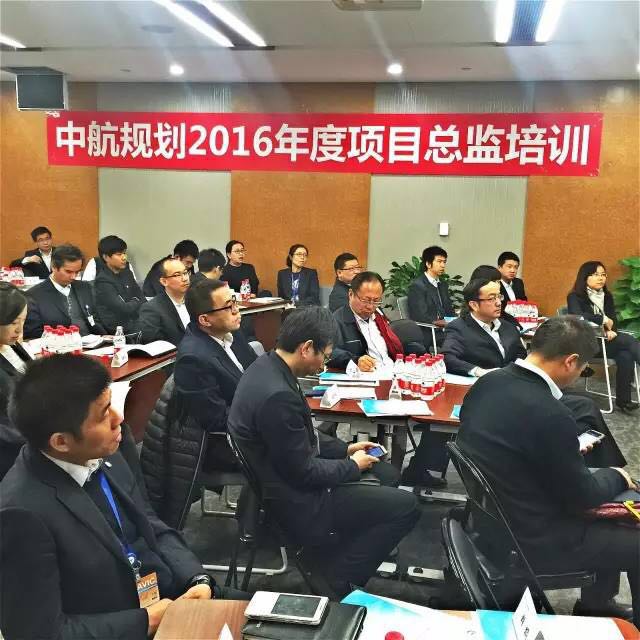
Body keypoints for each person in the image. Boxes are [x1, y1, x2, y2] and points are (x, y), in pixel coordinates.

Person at [0, 354, 246, 640]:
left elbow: (152, 526)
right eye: (104, 414)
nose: (119, 419)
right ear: (61, 441)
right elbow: (38, 633)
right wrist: (148, 621)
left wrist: (197, 579)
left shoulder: (107, 450)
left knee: (280, 618)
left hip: (171, 596)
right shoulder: (21, 514)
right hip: (127, 625)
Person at [456, 316, 639, 626]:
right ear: (570, 361)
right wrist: (616, 474)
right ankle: (602, 608)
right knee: (626, 507)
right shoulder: (550, 413)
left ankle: (597, 606)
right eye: (583, 368)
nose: (580, 374)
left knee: (617, 502)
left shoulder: (489, 382)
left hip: (492, 517)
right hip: (536, 536)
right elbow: (583, 497)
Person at [228, 307, 419, 597]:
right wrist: (352, 466)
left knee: (386, 472)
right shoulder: (277, 395)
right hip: (297, 500)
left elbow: (298, 436)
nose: (323, 364)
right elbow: (303, 473)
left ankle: (337, 557)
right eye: (325, 356)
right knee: (406, 506)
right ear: (306, 348)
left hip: (283, 480)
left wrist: (345, 448)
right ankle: (339, 580)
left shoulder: (266, 366)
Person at [173, 279, 257, 470]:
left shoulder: (230, 332)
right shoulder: (193, 359)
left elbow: (257, 371)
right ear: (205, 320)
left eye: (234, 301)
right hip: (224, 444)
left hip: (249, 421)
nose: (236, 310)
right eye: (228, 306)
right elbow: (217, 419)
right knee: (294, 454)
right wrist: (264, 415)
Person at [568, 261, 640, 413]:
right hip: (587, 345)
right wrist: (602, 319)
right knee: (629, 341)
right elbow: (577, 315)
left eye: (603, 275)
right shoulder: (574, 296)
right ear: (585, 277)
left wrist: (611, 330)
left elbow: (613, 320)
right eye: (596, 274)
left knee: (626, 356)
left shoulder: (606, 297)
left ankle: (624, 402)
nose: (601, 278)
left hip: (606, 343)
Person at [329, 271, 424, 371]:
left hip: (393, 370)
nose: (370, 306)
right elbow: (329, 352)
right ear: (351, 294)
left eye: (376, 301)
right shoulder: (336, 321)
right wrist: (355, 360)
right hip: (367, 374)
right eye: (365, 300)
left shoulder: (379, 317)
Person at [442, 278, 526, 377]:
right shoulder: (458, 328)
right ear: (474, 305)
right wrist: (478, 371)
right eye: (491, 298)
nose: (499, 303)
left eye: (499, 296)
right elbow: (447, 357)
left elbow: (521, 354)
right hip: (480, 382)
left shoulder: (508, 326)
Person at [23, 244, 107, 339]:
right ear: (54, 267)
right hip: (58, 345)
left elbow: (95, 319)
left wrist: (104, 337)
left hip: (94, 341)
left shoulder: (84, 287)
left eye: (77, 272)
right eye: (68, 272)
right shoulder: (34, 295)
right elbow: (33, 334)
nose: (73, 277)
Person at [0, 284, 32, 480]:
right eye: (13, 322)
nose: (20, 330)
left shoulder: (10, 345)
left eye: (23, 321)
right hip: (12, 449)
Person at [407, 246, 455, 351]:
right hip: (429, 331)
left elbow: (449, 309)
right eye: (439, 261)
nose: (443, 265)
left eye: (444, 262)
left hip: (445, 329)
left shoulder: (442, 284)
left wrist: (454, 320)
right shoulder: (417, 286)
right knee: (461, 342)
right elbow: (419, 316)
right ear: (428, 264)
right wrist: (439, 322)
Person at [94, 235, 145, 334]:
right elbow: (124, 309)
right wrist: (136, 300)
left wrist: (135, 301)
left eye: (124, 253)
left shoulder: (127, 273)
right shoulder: (103, 281)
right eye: (119, 254)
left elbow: (142, 298)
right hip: (118, 328)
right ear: (106, 257)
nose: (124, 257)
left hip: (135, 321)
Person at [139, 258, 191, 346]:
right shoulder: (151, 309)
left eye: (185, 273)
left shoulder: (196, 299)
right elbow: (155, 343)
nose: (185, 278)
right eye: (177, 275)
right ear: (164, 281)